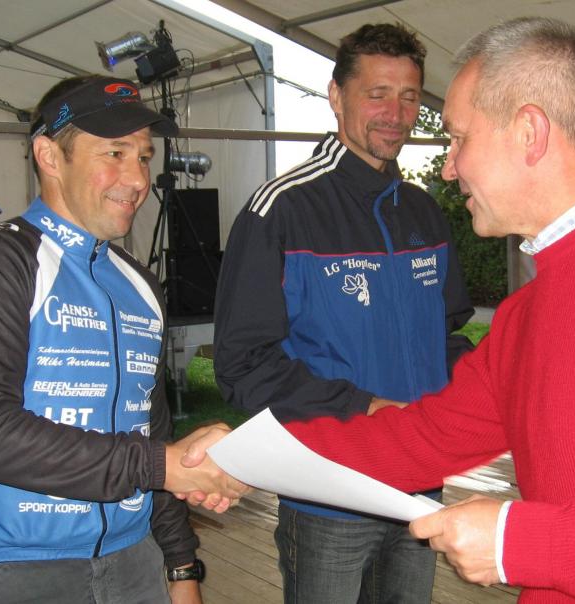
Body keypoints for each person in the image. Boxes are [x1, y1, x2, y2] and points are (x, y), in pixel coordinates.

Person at [262, 16, 575, 603]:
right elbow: (421, 438)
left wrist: (512, 540)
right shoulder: (528, 310)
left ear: (528, 132)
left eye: (458, 138)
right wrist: (247, 460)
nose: (448, 167)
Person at [0, 75, 246, 604]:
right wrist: (162, 464)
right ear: (49, 157)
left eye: (143, 157)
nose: (138, 178)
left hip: (136, 561)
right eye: (114, 153)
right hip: (18, 566)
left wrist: (181, 567)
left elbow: (153, 432)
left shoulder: (140, 283)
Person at [213, 22, 474, 604]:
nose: (396, 114)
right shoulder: (281, 209)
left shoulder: (424, 213)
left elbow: (447, 336)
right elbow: (241, 362)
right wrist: (364, 407)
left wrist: (484, 386)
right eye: (377, 94)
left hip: (419, 484)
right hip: (328, 493)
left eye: (409, 97)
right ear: (336, 96)